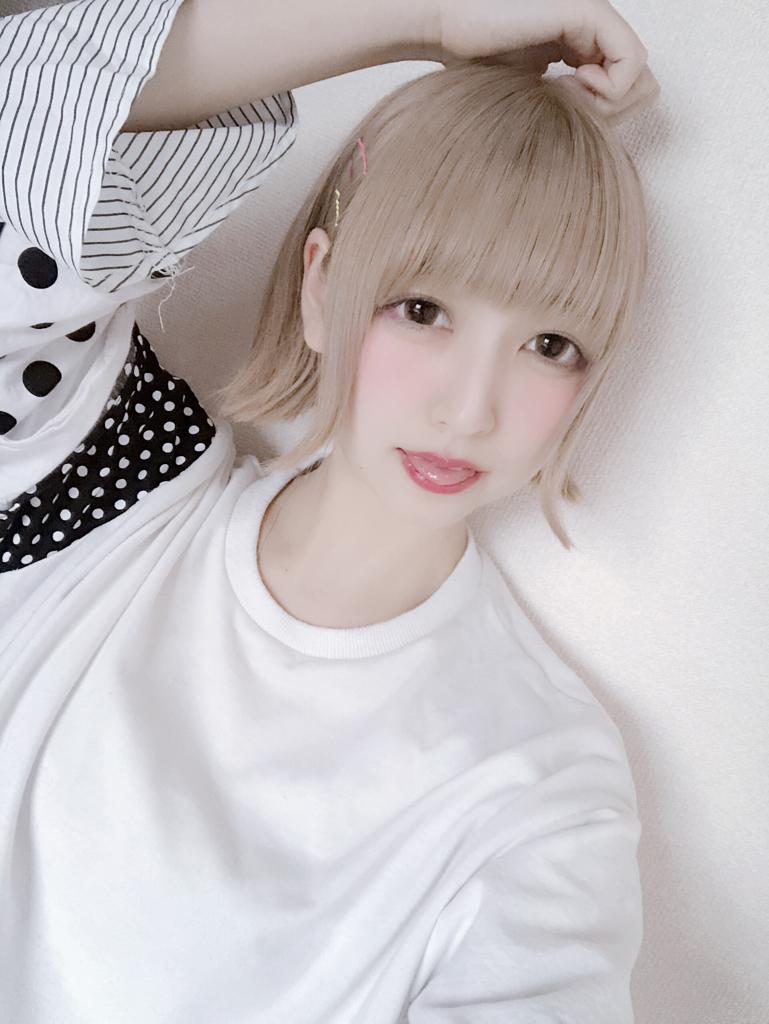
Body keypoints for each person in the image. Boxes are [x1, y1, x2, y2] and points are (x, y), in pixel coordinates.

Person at [0, 0, 660, 1020]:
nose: (468, 409)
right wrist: (419, 17)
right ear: (320, 288)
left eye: (549, 345)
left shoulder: (537, 786)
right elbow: (26, 126)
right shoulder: (116, 481)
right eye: (422, 310)